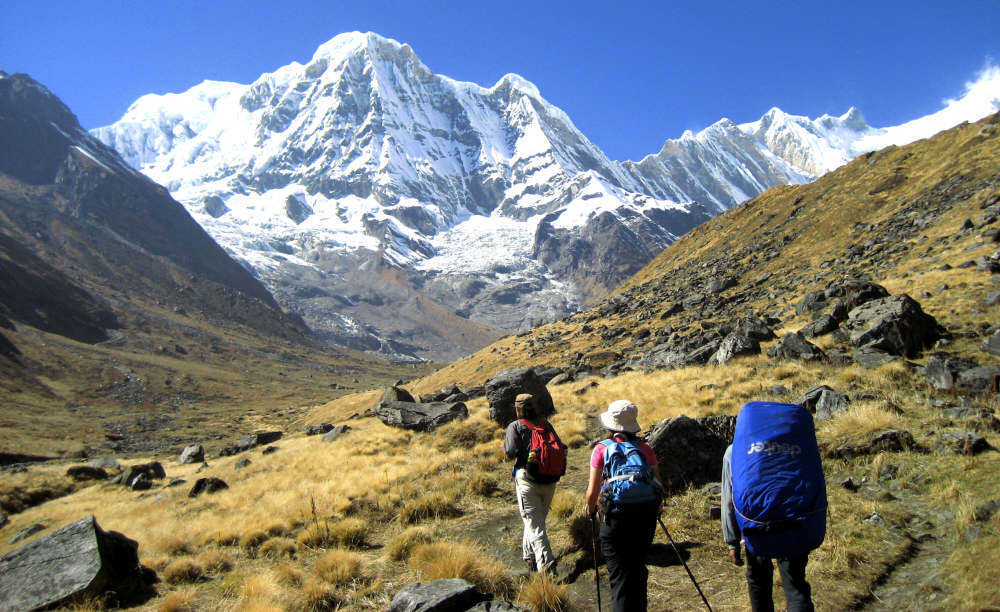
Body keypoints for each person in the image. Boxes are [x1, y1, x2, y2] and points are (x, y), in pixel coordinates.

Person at [721, 400, 826, 612]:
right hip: (797, 522)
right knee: (795, 583)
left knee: (758, 580)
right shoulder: (798, 447)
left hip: (757, 527)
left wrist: (732, 541)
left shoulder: (735, 452)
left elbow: (730, 499)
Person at [585, 400, 663, 612]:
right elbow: (659, 485)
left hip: (615, 518)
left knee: (620, 575)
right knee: (637, 570)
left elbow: (592, 492)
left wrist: (591, 510)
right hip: (645, 516)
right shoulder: (644, 449)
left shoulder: (602, 449)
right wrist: (657, 509)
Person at [504, 393, 565, 575]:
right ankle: (528, 556)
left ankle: (547, 567)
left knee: (534, 524)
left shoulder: (515, 426)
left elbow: (511, 452)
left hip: (527, 480)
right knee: (534, 521)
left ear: (517, 409)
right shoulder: (546, 425)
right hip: (550, 479)